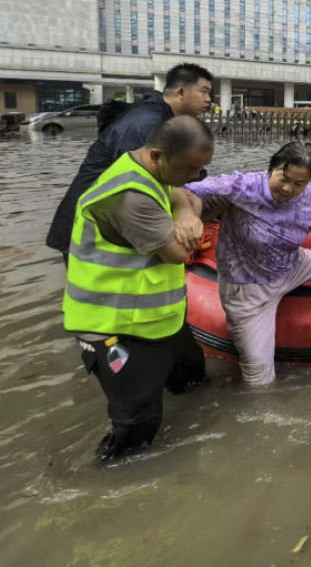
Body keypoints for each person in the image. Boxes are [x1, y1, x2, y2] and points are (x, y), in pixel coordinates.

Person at [63, 116, 214, 461]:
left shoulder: (147, 168)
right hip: (112, 325)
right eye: (190, 168)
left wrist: (187, 213)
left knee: (191, 377)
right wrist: (191, 217)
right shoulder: (129, 198)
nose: (196, 178)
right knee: (138, 421)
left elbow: (186, 195)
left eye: (202, 169)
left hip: (158, 318)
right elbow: (177, 253)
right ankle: (111, 476)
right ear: (158, 156)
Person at [182, 142, 311, 385]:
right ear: (273, 167)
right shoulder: (241, 186)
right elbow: (185, 191)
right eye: (284, 177)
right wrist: (191, 216)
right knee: (260, 381)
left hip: (295, 264)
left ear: (310, 181)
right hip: (248, 288)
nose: (288, 188)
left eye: (299, 183)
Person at [47, 63, 214, 261]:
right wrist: (186, 210)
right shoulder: (145, 125)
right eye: (204, 92)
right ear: (180, 91)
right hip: (91, 231)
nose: (208, 100)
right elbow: (151, 178)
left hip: (111, 223)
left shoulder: (158, 118)